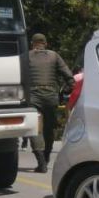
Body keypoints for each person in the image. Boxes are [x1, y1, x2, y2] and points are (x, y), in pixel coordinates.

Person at [26, 33, 74, 173]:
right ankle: (46, 156)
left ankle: (41, 162)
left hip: (33, 97)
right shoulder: (54, 55)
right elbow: (70, 79)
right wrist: (64, 90)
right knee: (49, 128)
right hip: (51, 96)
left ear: (32, 43)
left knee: (36, 128)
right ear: (45, 43)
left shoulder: (26, 56)